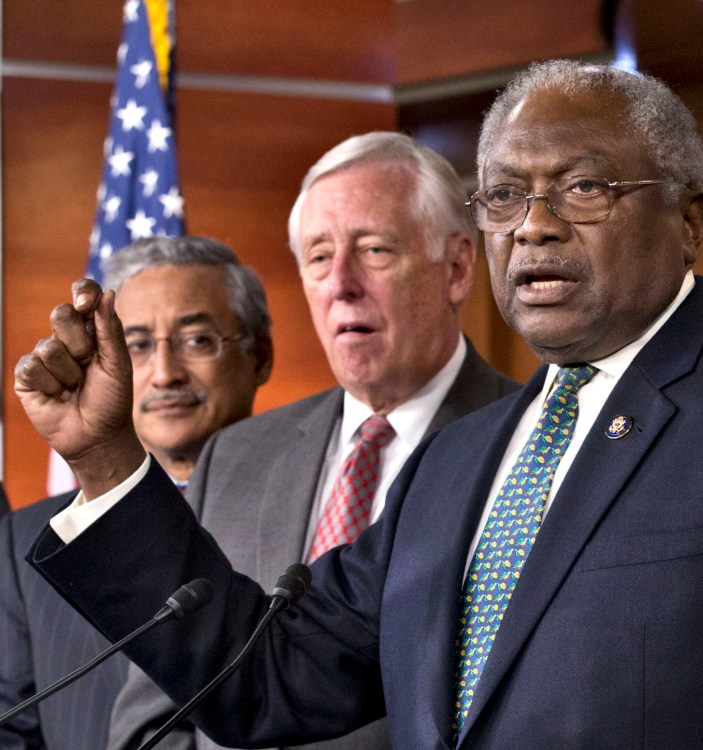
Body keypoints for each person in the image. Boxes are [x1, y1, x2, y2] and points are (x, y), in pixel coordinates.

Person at [16, 61, 703, 748]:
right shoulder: (464, 456)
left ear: (687, 217)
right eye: (503, 195)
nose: (533, 224)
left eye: (582, 187)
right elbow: (267, 677)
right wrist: (105, 462)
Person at [106, 132, 520, 750]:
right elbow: (153, 715)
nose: (341, 285)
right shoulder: (236, 456)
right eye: (320, 258)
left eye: (374, 250)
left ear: (458, 269)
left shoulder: (526, 444)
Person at [0, 236, 274, 750]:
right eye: (137, 346)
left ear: (259, 356)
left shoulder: (320, 503)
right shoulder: (24, 541)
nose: (166, 374)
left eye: (198, 341)